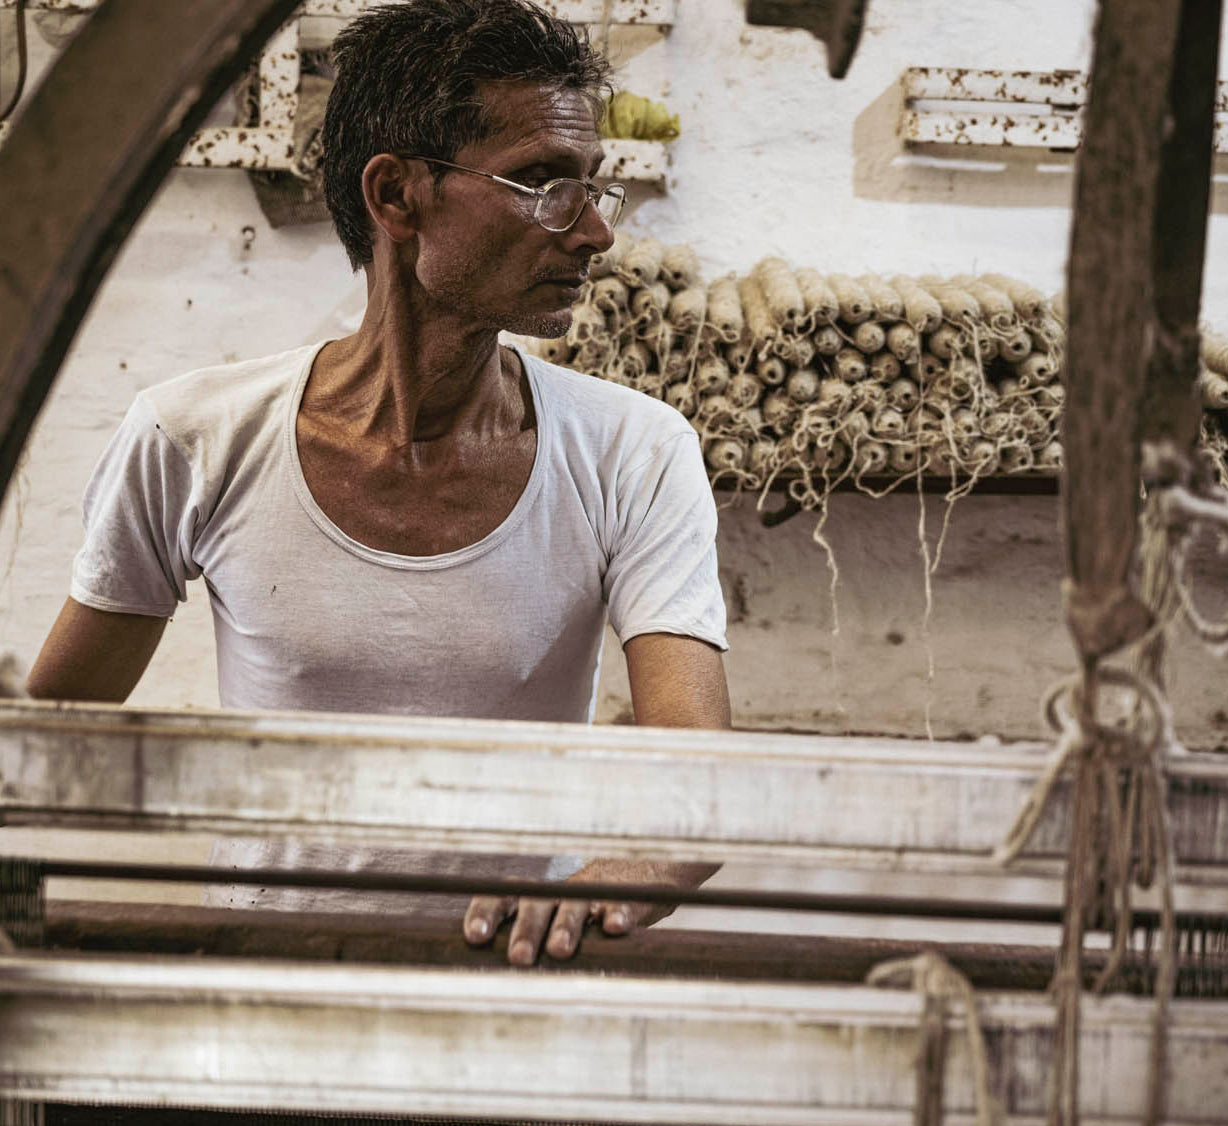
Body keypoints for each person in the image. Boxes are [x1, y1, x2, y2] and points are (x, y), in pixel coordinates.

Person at [26, 0, 730, 965]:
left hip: (517, 989)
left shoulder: (634, 452)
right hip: (265, 998)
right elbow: (48, 741)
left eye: (591, 184)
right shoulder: (196, 438)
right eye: (540, 182)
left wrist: (604, 885)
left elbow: (697, 773)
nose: (594, 232)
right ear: (396, 197)